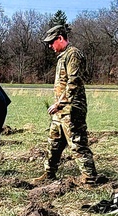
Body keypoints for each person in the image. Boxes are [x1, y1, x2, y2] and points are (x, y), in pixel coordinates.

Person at [36, 25, 99, 185]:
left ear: (60, 38)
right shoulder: (63, 56)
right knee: (54, 142)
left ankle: (90, 179)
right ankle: (49, 173)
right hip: (60, 110)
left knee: (77, 144)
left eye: (52, 42)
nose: (50, 46)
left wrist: (60, 103)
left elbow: (74, 81)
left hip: (71, 109)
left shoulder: (73, 54)